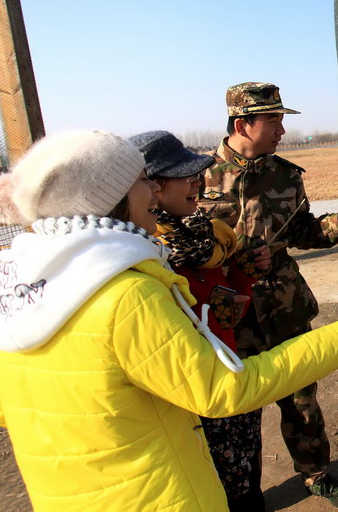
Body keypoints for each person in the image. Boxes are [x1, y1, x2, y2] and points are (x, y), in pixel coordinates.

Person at [0, 130, 338, 512]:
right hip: (153, 490)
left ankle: (311, 472)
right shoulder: (128, 291)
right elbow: (220, 390)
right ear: (113, 197)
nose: (152, 191)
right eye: (143, 181)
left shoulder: (18, 293)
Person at [198, 82, 338, 509]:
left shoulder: (285, 175)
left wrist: (337, 223)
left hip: (285, 309)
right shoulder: (198, 177)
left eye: (282, 120)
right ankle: (243, 494)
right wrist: (234, 263)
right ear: (243, 124)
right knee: (237, 413)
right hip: (229, 316)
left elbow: (302, 234)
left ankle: (315, 475)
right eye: (274, 121)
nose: (281, 130)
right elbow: (183, 250)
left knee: (301, 403)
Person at [131, 129, 271, 511]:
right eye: (186, 175)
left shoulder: (199, 233)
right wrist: (208, 311)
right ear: (152, 187)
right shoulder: (144, 252)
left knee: (246, 472)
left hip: (226, 368)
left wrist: (242, 271)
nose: (198, 181)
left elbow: (224, 293)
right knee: (220, 488)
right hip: (194, 392)